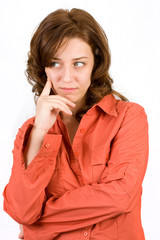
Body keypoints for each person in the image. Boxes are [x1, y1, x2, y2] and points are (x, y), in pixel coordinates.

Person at [3, 8, 149, 240]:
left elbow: (121, 197)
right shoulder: (30, 130)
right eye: (55, 63)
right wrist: (40, 132)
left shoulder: (128, 117)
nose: (67, 77)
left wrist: (36, 226)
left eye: (79, 64)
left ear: (96, 62)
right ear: (43, 68)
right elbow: (21, 211)